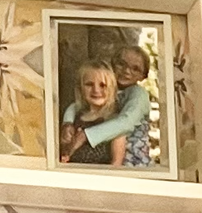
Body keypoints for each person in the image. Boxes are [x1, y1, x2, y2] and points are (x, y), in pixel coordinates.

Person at [60, 40, 152, 168]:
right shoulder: (109, 89)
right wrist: (68, 122)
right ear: (113, 64)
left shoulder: (139, 94)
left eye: (135, 69)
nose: (127, 71)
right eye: (121, 64)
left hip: (132, 160)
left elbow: (126, 122)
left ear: (143, 76)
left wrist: (86, 135)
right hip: (106, 155)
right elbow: (77, 105)